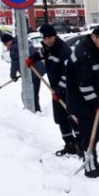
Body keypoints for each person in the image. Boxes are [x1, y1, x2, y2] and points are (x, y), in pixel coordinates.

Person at [65, 25, 99, 178]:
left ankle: (94, 162)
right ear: (93, 37)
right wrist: (95, 103)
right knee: (89, 134)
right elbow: (84, 84)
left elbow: (96, 64)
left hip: (90, 100)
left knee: (95, 133)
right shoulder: (83, 54)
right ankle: (90, 168)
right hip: (81, 102)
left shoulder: (91, 49)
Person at [33, 23, 78, 156]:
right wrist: (32, 59)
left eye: (48, 38)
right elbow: (41, 53)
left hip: (68, 89)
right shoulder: (48, 47)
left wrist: (59, 90)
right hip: (55, 89)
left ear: (54, 36)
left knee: (72, 116)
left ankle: (81, 144)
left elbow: (67, 74)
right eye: (44, 38)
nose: (46, 40)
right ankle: (69, 142)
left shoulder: (63, 50)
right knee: (61, 117)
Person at [3, 32, 43, 113]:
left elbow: (14, 64)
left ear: (8, 41)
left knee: (27, 94)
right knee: (34, 93)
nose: (6, 46)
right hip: (38, 70)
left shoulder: (14, 48)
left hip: (32, 72)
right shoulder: (23, 41)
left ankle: (33, 111)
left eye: (5, 43)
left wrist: (13, 76)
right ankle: (36, 110)